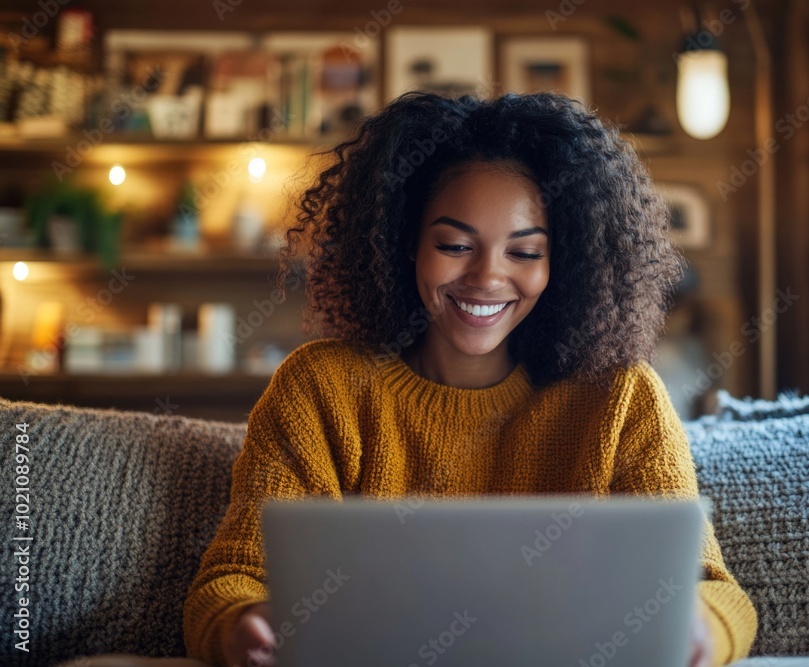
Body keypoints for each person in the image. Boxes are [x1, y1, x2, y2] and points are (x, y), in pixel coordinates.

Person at [182, 91, 758, 667]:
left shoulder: (619, 397)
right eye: (455, 245)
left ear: (566, 261)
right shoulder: (320, 388)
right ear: (405, 244)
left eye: (525, 252)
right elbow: (233, 578)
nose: (487, 277)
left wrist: (699, 628)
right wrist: (243, 626)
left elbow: (713, 587)